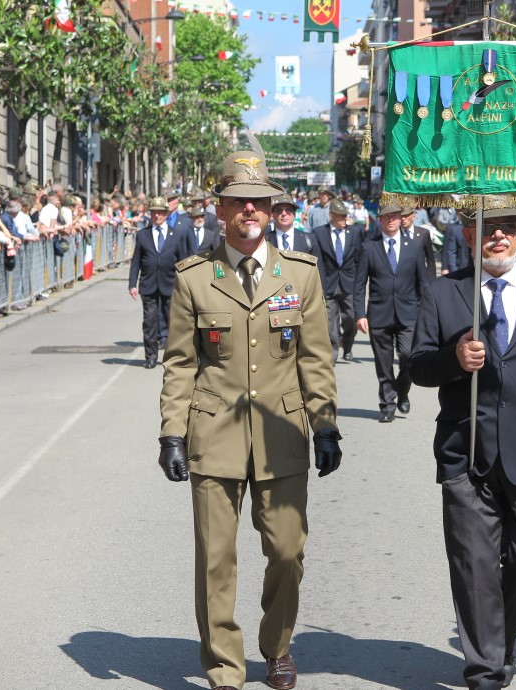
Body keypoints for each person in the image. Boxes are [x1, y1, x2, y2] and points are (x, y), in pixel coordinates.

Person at [157, 150, 342, 690]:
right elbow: (180, 363)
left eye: (258, 202)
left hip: (282, 433)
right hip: (213, 433)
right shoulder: (195, 278)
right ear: (220, 209)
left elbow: (315, 358)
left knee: (287, 550)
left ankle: (277, 646)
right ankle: (224, 666)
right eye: (238, 201)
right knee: (215, 558)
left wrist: (325, 424)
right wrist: (171, 432)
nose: (249, 211)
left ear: (270, 208)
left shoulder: (299, 274)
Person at [409, 206, 516, 690]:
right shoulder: (444, 293)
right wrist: (454, 359)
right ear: (470, 235)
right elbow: (417, 366)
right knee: (474, 566)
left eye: (509, 228)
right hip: (465, 452)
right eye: (489, 228)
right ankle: (485, 669)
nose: (499, 237)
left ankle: (500, 639)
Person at [353, 204, 428, 422]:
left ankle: (402, 390)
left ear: (400, 218)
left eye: (395, 216)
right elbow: (359, 285)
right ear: (380, 220)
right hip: (379, 313)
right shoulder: (369, 247)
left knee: (408, 356)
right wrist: (360, 314)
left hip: (408, 313)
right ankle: (387, 405)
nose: (391, 220)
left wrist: (425, 313)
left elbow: (422, 283)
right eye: (386, 217)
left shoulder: (413, 247)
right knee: (383, 362)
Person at [128, 196, 186, 369]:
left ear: (166, 214)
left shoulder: (176, 235)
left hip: (170, 284)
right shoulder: (143, 235)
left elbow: (182, 261)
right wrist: (132, 284)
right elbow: (136, 261)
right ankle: (151, 357)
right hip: (149, 285)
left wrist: (185, 284)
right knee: (150, 323)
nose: (157, 216)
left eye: (160, 212)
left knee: (173, 322)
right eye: (154, 213)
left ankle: (173, 357)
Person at [313, 198, 363, 362]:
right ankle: (332, 354)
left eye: (345, 216)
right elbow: (318, 261)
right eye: (341, 216)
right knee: (330, 323)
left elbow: (359, 259)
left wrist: (359, 282)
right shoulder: (320, 233)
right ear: (332, 216)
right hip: (329, 284)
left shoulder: (354, 233)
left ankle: (347, 346)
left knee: (350, 319)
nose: (344, 219)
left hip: (349, 284)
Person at [401, 205, 439, 281]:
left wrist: (431, 281)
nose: (403, 219)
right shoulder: (395, 234)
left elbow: (430, 260)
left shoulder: (423, 233)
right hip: (401, 279)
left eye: (406, 216)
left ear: (413, 217)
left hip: (420, 279)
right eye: (401, 216)